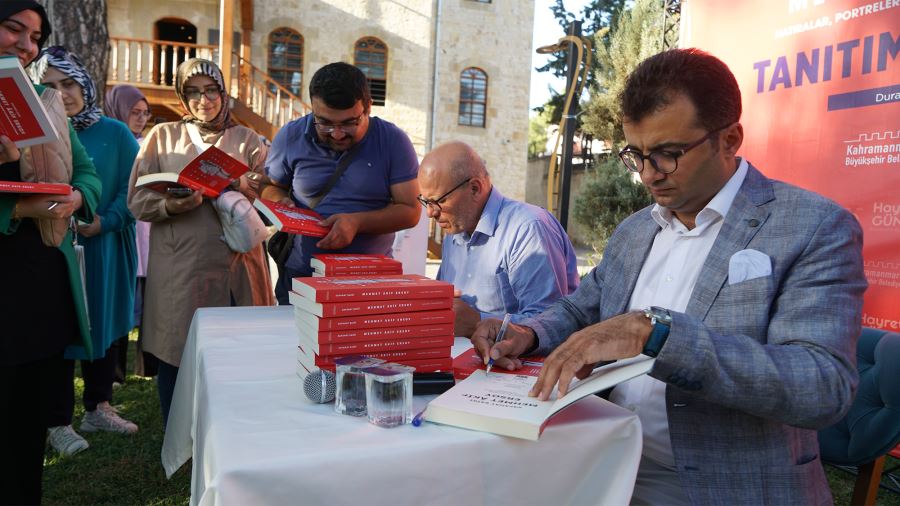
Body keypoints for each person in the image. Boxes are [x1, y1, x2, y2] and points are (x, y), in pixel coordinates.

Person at [472, 48, 866, 504]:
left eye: (666, 154)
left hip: (728, 487)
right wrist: (526, 332)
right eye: (635, 155)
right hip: (606, 464)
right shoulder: (637, 230)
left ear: (730, 138)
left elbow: (822, 386)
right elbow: (582, 308)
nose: (647, 175)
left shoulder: (812, 227)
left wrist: (657, 336)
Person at [127, 58, 275, 427]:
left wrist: (240, 183)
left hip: (237, 262)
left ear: (224, 94)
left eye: (210, 90)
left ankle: (233, 431)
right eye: (192, 92)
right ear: (182, 96)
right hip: (180, 265)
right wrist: (171, 203)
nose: (203, 100)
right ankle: (179, 436)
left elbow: (272, 194)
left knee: (237, 351)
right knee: (177, 349)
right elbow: (137, 200)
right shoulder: (162, 137)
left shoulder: (247, 139)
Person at [0, 3, 102, 503]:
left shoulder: (46, 100)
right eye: (13, 28)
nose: (26, 44)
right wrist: (16, 210)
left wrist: (78, 198)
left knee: (26, 426)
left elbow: (86, 173)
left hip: (39, 281)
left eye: (34, 35)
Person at [30, 46, 141, 454]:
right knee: (58, 330)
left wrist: (103, 221)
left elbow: (134, 190)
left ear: (85, 84)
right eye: (48, 86)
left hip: (105, 246)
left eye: (69, 83)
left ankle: (97, 407)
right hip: (54, 248)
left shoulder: (115, 132)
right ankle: (57, 421)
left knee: (105, 321)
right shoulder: (37, 136)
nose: (60, 94)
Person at [261, 62, 420, 304]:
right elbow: (269, 185)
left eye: (348, 123)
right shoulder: (291, 136)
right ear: (312, 107)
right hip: (301, 275)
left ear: (368, 108)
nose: (336, 133)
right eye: (324, 122)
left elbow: (410, 211)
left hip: (369, 280)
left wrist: (357, 223)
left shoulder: (393, 141)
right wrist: (278, 201)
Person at [418, 141, 578, 337]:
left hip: (516, 363)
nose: (430, 212)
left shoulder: (527, 229)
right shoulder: (455, 227)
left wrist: (476, 323)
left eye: (438, 201)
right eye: (425, 201)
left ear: (475, 188)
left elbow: (552, 323)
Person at [105, 84, 157, 379]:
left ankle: (147, 366)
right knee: (120, 301)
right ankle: (114, 371)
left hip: (148, 231)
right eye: (134, 112)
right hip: (121, 228)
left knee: (150, 302)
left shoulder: (151, 143)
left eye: (145, 112)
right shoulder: (112, 143)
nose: (141, 118)